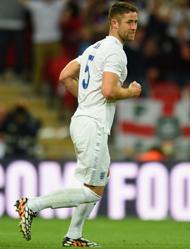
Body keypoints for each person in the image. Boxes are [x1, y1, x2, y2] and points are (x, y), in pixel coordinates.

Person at [15, 2, 142, 247]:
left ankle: (73, 236)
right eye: (129, 22)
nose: (134, 27)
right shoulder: (115, 52)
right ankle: (30, 206)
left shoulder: (94, 48)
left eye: (136, 22)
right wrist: (131, 92)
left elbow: (65, 75)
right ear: (114, 23)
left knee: (99, 183)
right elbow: (108, 90)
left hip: (85, 119)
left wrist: (85, 100)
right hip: (92, 123)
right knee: (91, 191)